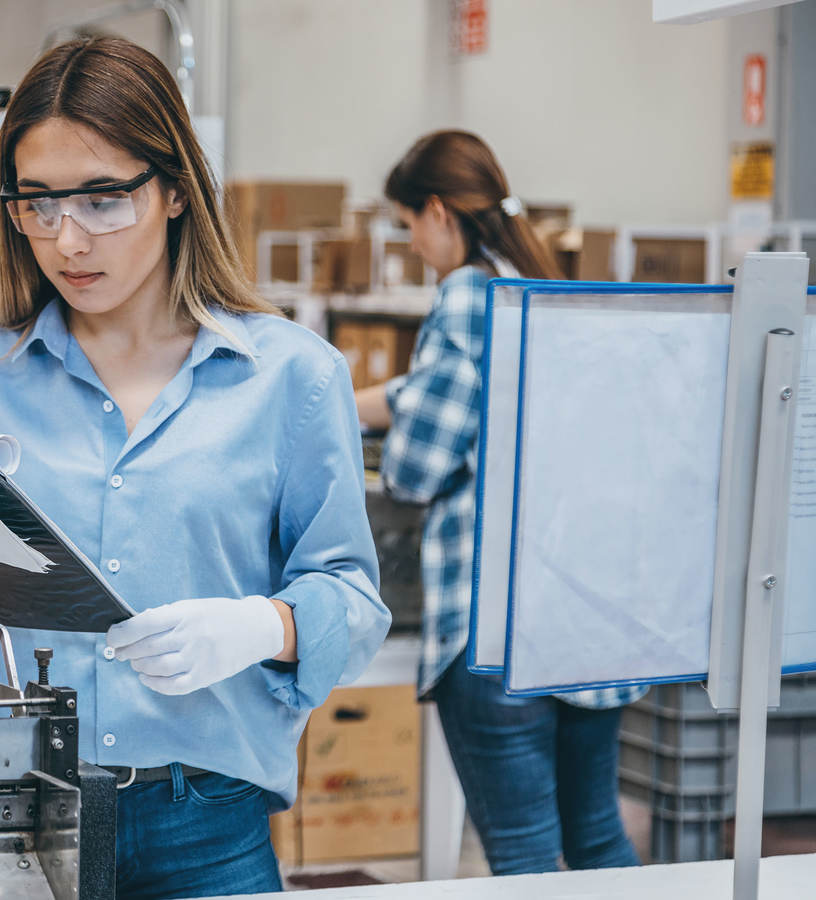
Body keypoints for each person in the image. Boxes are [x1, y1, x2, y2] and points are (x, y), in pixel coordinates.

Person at [0, 37, 390, 899]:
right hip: (5, 816)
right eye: (38, 203)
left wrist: (263, 626)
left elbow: (354, 601)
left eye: (103, 199)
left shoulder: (293, 378)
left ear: (175, 189)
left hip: (205, 828)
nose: (68, 239)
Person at [355, 130, 643, 875]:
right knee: (599, 837)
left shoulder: (463, 299)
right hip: (588, 625)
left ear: (440, 211)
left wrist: (388, 437)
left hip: (498, 633)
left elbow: (416, 470)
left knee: (521, 859)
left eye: (410, 225)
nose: (414, 245)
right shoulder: (546, 288)